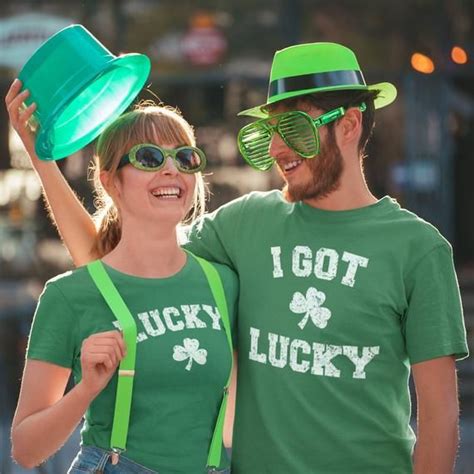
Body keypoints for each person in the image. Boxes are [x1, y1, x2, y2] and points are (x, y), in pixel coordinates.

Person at [8, 42, 469, 473]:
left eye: (293, 130)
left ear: (348, 125)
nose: (275, 151)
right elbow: (111, 264)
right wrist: (42, 161)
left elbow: (440, 412)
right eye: (267, 133)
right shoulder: (245, 223)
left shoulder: (419, 249)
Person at [6, 79, 238, 474]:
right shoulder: (69, 296)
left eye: (186, 158)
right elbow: (26, 450)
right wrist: (86, 390)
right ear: (111, 181)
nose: (171, 170)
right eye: (149, 158)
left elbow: (235, 424)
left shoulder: (224, 283)